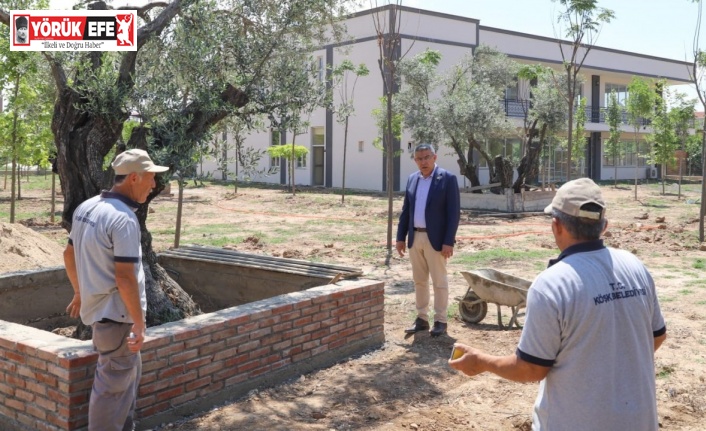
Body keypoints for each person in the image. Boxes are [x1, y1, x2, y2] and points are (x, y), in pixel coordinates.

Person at [449, 178, 667, 430]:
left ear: (556, 225)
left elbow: (531, 368)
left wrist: (482, 361)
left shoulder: (552, 284)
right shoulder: (634, 266)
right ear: (603, 226)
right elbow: (657, 337)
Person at [64, 149, 168, 431]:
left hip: (105, 318)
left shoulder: (87, 207)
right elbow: (125, 277)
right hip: (119, 320)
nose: (154, 185)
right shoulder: (123, 218)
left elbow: (68, 255)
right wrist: (139, 322)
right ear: (134, 177)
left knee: (124, 383)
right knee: (111, 390)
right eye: (151, 178)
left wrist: (79, 292)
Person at [396, 143, 460, 337]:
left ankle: (440, 320)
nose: (423, 161)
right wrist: (400, 237)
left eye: (427, 157)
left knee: (439, 281)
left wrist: (448, 240)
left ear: (435, 157)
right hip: (415, 238)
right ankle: (422, 319)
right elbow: (406, 211)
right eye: (419, 158)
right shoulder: (412, 180)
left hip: (437, 240)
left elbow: (453, 213)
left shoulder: (447, 179)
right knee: (419, 281)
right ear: (415, 160)